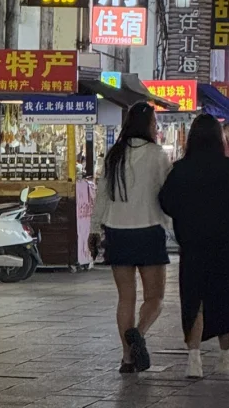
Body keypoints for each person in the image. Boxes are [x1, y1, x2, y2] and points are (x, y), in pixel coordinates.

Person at [159, 113, 229, 379]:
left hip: (191, 244)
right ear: (219, 138)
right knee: (222, 296)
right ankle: (225, 356)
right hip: (223, 244)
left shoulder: (180, 170)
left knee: (193, 299)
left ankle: (194, 360)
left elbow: (166, 202)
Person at [88, 102, 171, 375]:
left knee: (126, 298)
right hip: (149, 230)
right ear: (147, 125)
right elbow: (167, 194)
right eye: (155, 123)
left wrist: (95, 229)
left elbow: (101, 194)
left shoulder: (114, 155)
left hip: (117, 231)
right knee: (155, 297)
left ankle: (126, 358)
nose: (157, 127)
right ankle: (139, 332)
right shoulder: (158, 155)